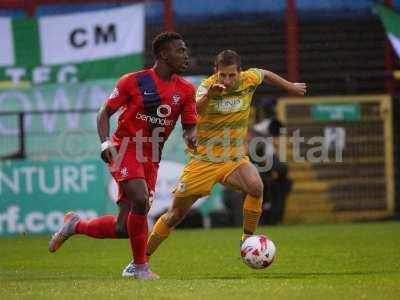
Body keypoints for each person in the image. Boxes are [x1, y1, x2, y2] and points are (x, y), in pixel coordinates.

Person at [122, 49, 307, 276]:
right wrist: (210, 94)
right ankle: (139, 261)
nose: (227, 80)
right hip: (203, 161)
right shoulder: (205, 87)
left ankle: (247, 240)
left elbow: (265, 74)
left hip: (233, 158)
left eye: (231, 75)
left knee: (256, 187)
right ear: (215, 72)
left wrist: (290, 86)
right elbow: (192, 109)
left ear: (240, 72)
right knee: (174, 216)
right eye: (223, 75)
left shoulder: (250, 79)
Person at [48, 32, 198, 280]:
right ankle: (140, 268)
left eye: (185, 50)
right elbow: (104, 113)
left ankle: (75, 225)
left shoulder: (185, 90)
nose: (186, 55)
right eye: (180, 50)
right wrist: (105, 142)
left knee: (123, 227)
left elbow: (190, 125)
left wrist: (191, 135)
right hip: (125, 147)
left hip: (151, 156)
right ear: (163, 54)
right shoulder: (133, 81)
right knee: (141, 200)